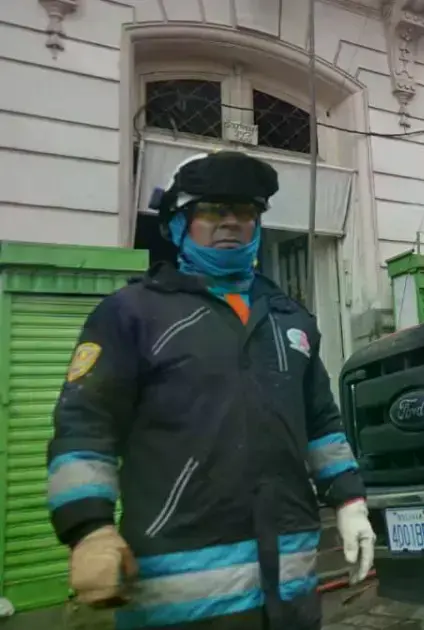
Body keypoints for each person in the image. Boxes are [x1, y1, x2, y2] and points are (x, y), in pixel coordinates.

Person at [46, 151, 375, 629]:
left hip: (291, 594)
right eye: (211, 212)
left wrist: (350, 501)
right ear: (178, 225)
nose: (231, 223)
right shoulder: (130, 315)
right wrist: (89, 529)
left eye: (245, 212)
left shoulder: (291, 319)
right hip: (180, 604)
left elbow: (321, 424)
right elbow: (84, 426)